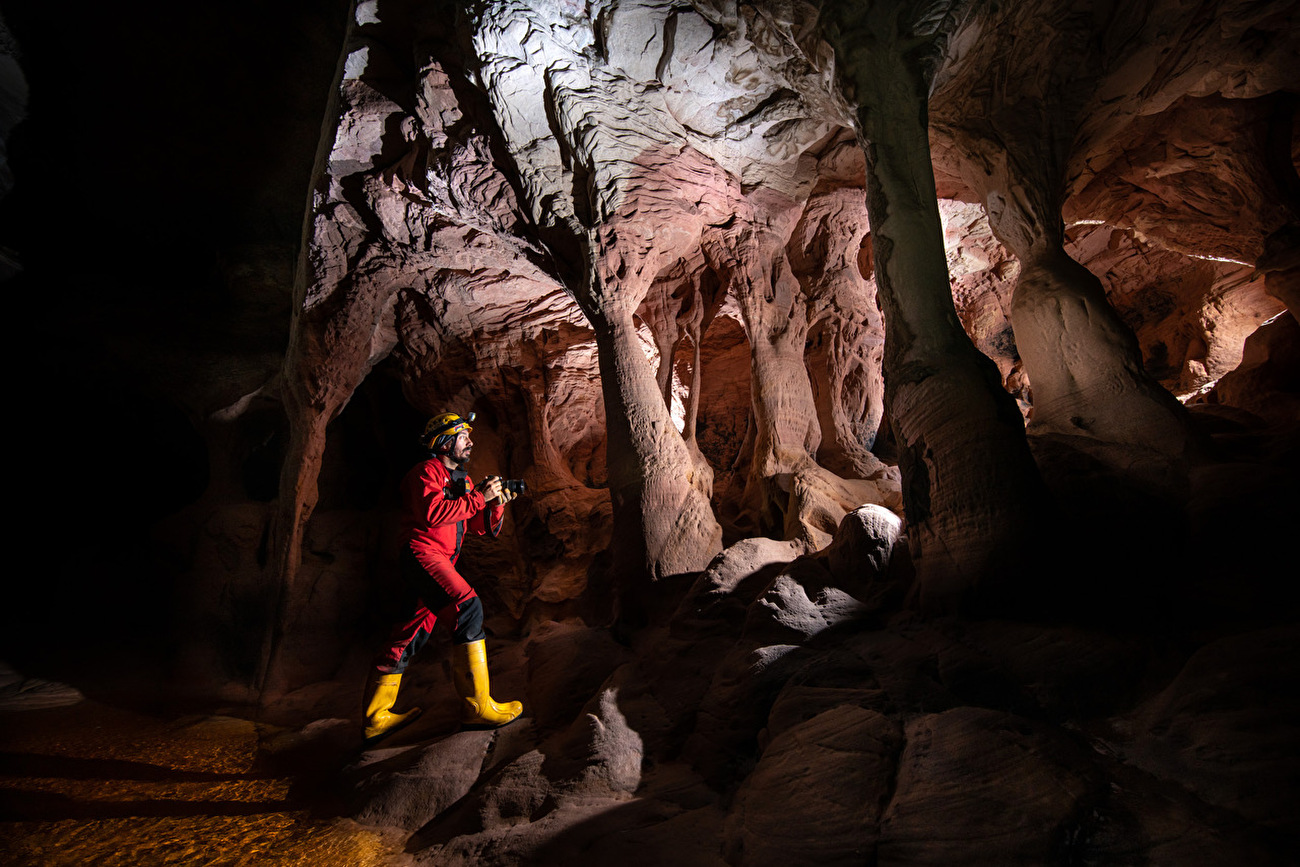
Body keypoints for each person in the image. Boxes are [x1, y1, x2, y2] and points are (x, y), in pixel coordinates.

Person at [362, 411, 523, 744]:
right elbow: (434, 514)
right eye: (464, 437)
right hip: (423, 556)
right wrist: (480, 497)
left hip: (439, 560)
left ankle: (375, 718)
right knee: (469, 608)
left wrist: (496, 504)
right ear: (445, 442)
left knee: (407, 635)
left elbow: (481, 528)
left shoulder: (461, 481)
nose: (471, 442)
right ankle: (477, 709)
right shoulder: (425, 473)